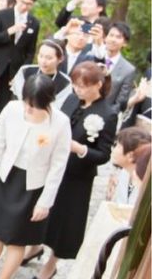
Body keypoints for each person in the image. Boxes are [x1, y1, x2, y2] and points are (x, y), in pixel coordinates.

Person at [0, 74, 72, 279]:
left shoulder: (60, 123)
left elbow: (58, 166)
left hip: (33, 185)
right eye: (26, 103)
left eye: (34, 106)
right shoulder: (12, 109)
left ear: (47, 102)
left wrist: (45, 202)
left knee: (17, 239)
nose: (28, 109)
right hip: (6, 177)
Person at [31, 61, 118, 279]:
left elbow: (104, 154)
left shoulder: (107, 113)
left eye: (83, 86)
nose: (77, 90)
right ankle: (34, 246)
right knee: (41, 209)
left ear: (98, 85)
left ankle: (50, 265)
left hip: (77, 176)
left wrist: (80, 149)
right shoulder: (71, 100)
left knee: (64, 223)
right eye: (75, 84)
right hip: (53, 166)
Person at [0, 0, 41, 119]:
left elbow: (30, 51)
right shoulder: (3, 15)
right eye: (22, 2)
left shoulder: (34, 23)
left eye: (29, 4)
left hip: (14, 70)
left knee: (4, 104)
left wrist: (22, 72)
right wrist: (9, 31)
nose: (24, 6)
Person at [11, 39, 73, 108]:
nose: (43, 61)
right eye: (41, 56)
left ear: (60, 59)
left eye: (49, 58)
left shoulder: (65, 82)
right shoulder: (25, 71)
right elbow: (18, 96)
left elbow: (59, 106)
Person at [108, 127, 151, 206]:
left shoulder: (144, 180)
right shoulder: (124, 172)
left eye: (118, 146)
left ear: (130, 155)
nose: (113, 149)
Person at [103, 22, 136, 112]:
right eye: (111, 35)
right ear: (105, 37)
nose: (113, 39)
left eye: (118, 37)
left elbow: (120, 103)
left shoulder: (128, 70)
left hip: (106, 114)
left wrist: (107, 116)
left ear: (125, 43)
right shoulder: (93, 56)